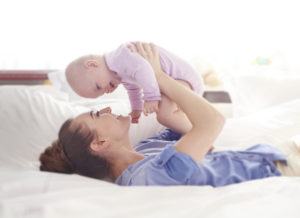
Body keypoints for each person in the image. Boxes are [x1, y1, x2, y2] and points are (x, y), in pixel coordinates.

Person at [40, 43, 299, 186]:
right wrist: (158, 76)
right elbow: (211, 122)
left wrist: (166, 115)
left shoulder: (147, 147)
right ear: (100, 143)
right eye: (97, 115)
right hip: (281, 171)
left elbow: (203, 141)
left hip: (272, 153)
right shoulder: (148, 177)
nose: (107, 108)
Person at [65, 42, 204, 134]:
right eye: (102, 93)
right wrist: (136, 109)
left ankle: (201, 136)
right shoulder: (120, 72)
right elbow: (133, 89)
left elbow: (145, 70)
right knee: (170, 116)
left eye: (98, 87)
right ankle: (194, 130)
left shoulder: (120, 57)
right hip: (175, 83)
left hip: (184, 79)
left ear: (92, 65)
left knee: (165, 116)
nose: (106, 90)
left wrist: (151, 98)